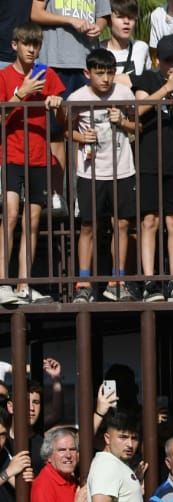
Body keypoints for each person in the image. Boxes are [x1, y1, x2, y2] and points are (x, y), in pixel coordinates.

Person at [66, 47, 137, 302]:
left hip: (122, 169)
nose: (105, 79)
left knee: (122, 224)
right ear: (88, 73)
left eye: (109, 73)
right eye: (100, 73)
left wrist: (123, 121)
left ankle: (117, 280)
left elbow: (136, 126)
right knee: (88, 225)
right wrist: (79, 136)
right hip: (90, 172)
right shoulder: (76, 97)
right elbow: (66, 130)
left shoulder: (124, 93)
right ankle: (83, 283)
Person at [0, 24, 64, 306]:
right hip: (11, 155)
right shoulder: (4, 76)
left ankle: (24, 286)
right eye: (26, 43)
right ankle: (3, 283)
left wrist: (58, 103)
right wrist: (20, 93)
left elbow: (64, 122)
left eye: (36, 44)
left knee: (33, 221)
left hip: (39, 157)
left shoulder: (47, 74)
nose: (31, 49)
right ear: (15, 45)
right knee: (10, 215)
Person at [103, 0, 148, 82]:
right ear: (108, 21)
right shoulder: (97, 50)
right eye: (120, 17)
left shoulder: (141, 47)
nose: (126, 22)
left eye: (131, 17)